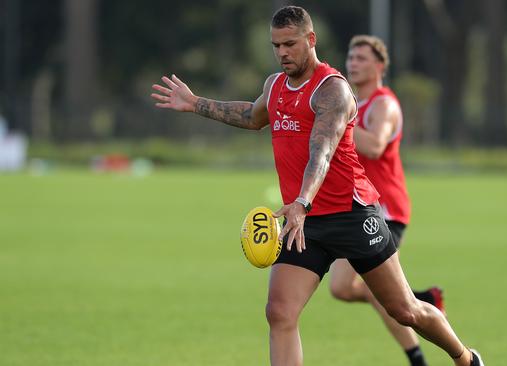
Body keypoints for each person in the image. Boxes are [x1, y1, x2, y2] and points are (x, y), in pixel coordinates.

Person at [151, 6, 484, 366]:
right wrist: (196, 103)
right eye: (276, 45)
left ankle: (465, 358)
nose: (282, 53)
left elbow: (321, 152)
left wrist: (301, 202)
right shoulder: (275, 85)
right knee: (279, 312)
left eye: (290, 44)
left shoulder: (333, 91)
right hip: (306, 223)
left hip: (352, 216)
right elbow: (251, 116)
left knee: (405, 309)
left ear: (311, 40)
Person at [328, 34, 443, 366]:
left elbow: (376, 146)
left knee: (367, 289)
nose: (353, 63)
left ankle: (418, 355)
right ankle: (418, 299)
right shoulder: (351, 103)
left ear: (380, 66)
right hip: (358, 208)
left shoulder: (384, 104)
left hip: (387, 210)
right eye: (351, 57)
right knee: (342, 289)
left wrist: (336, 123)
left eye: (362, 58)